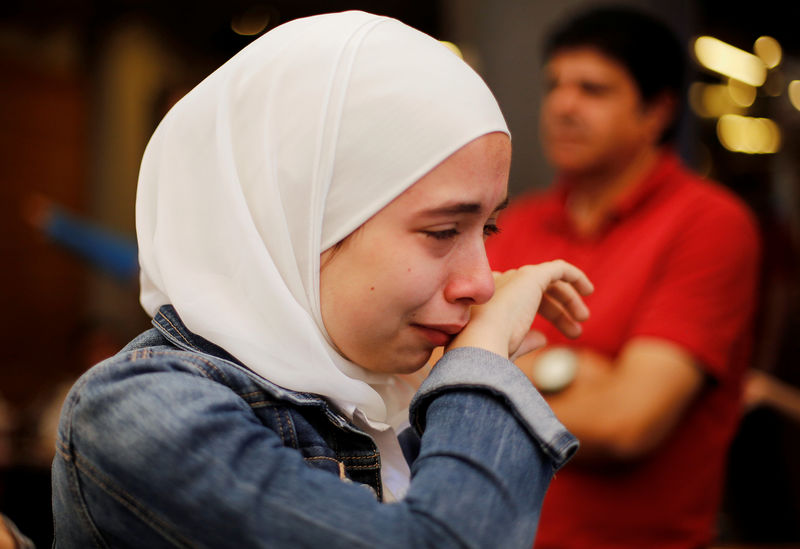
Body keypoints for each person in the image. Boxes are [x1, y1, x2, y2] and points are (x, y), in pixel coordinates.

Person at [50, 11, 595, 548]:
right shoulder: (143, 409)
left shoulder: (360, 405)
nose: (480, 282)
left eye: (489, 227)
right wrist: (480, 363)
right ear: (300, 220)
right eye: (443, 229)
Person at [485, 6, 761, 549]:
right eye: (555, 85)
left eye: (593, 89)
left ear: (656, 111)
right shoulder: (514, 222)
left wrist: (499, 365)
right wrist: (574, 371)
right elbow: (424, 377)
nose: (563, 105)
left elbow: (625, 423)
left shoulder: (709, 223)